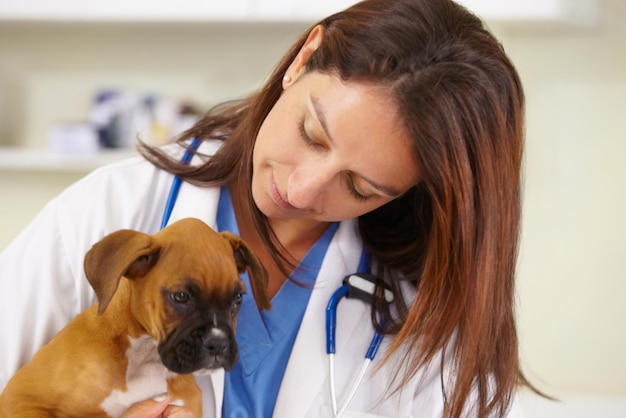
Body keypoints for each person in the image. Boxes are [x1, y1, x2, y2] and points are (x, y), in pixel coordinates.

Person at [0, 0, 535, 416]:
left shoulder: (427, 309)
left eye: (361, 186)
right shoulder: (107, 211)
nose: (301, 192)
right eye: (311, 134)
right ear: (303, 60)